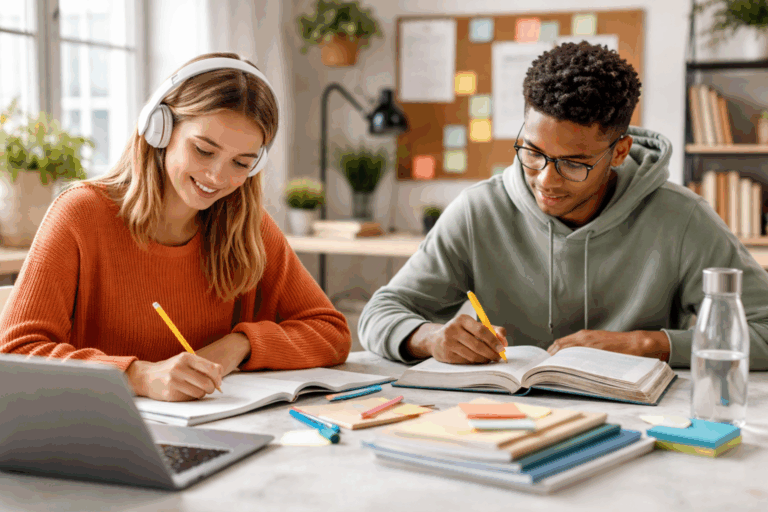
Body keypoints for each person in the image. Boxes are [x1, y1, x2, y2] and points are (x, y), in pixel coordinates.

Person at [358, 42, 768, 368]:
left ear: (620, 151)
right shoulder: (478, 211)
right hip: (506, 419)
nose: (545, 180)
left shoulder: (683, 219)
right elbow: (380, 313)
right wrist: (429, 338)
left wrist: (651, 344)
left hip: (639, 428)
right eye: (532, 152)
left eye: (574, 164)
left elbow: (763, 328)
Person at [0, 52, 351, 401]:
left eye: (241, 162)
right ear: (160, 129)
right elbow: (16, 351)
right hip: (99, 436)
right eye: (203, 150)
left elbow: (331, 332)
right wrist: (137, 375)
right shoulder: (81, 214)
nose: (217, 176)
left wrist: (239, 345)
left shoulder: (247, 225)